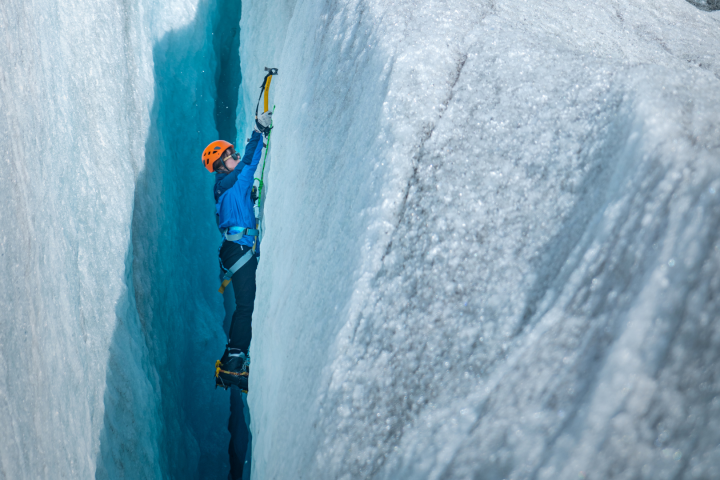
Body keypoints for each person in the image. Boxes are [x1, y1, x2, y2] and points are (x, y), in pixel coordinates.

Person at [201, 110, 273, 389]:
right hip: (239, 250)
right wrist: (258, 133)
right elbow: (249, 165)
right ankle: (234, 361)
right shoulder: (230, 183)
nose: (235, 156)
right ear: (221, 165)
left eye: (232, 152)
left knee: (246, 304)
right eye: (229, 154)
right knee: (245, 306)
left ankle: (236, 356)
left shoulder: (225, 187)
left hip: (237, 250)